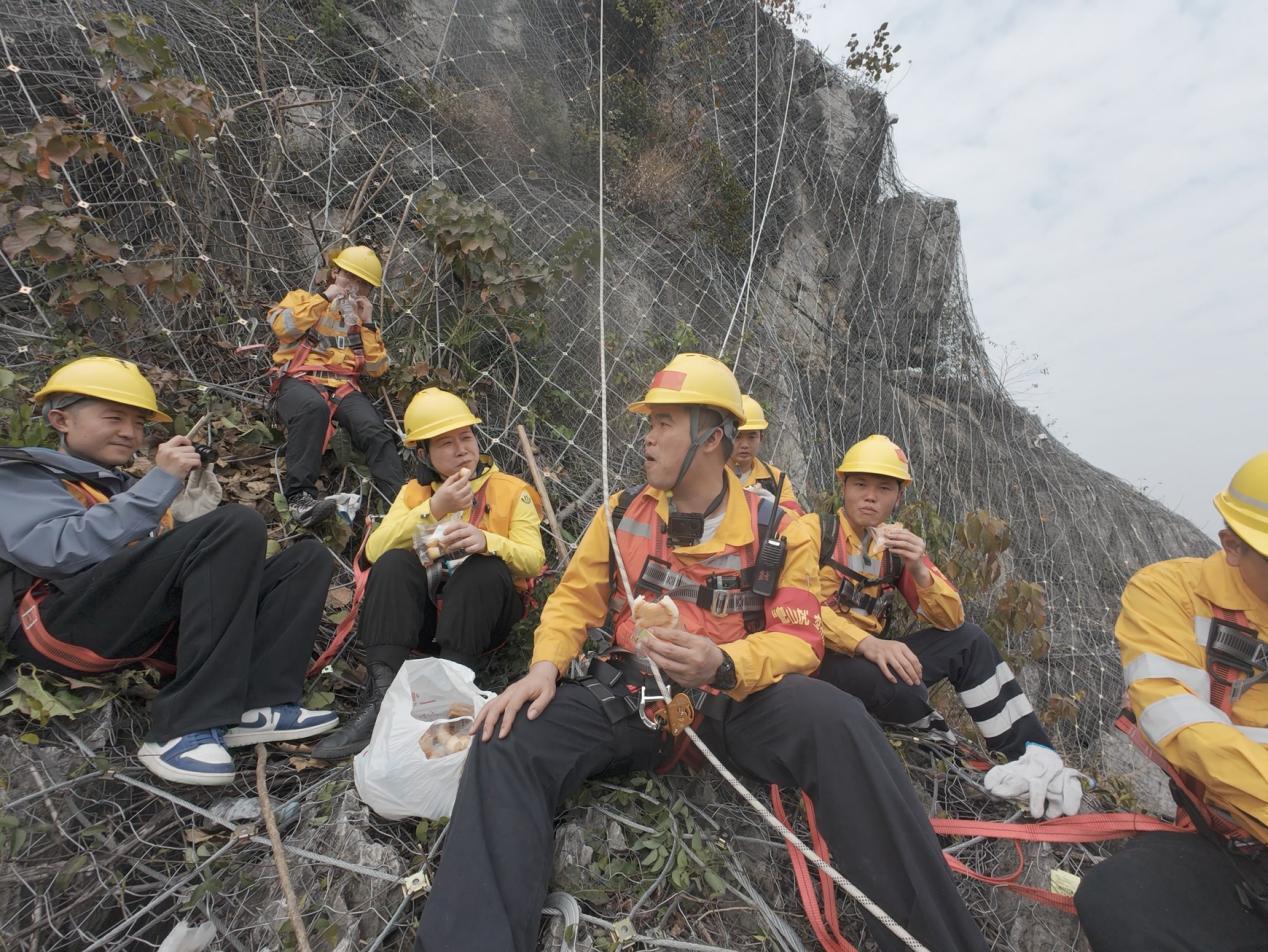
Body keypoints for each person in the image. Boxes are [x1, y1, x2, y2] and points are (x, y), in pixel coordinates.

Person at [414, 355, 986, 952]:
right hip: (635, 698)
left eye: (664, 423)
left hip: (736, 704)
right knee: (507, 737)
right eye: (648, 423)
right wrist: (543, 669)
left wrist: (723, 663)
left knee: (839, 721)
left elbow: (800, 639)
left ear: (713, 438)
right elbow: (573, 600)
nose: (648, 437)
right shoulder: (620, 513)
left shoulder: (785, 529)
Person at [0, 356, 338, 786]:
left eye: (138, 423)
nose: (130, 432)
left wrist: (182, 519)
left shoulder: (121, 488)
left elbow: (156, 570)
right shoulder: (21, 473)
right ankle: (182, 727)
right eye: (114, 417)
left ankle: (259, 704)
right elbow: (57, 551)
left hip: (131, 622)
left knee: (306, 559)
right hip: (56, 626)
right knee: (237, 523)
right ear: (60, 419)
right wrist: (157, 488)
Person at [807, 434, 1081, 817]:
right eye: (860, 484)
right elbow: (794, 610)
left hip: (872, 661)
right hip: (817, 662)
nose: (870, 496)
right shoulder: (813, 532)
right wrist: (868, 644)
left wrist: (918, 567)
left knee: (968, 642)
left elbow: (951, 619)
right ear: (843, 486)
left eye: (883, 488)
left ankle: (1033, 759)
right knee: (895, 681)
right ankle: (953, 769)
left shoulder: (895, 548)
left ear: (898, 497)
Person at [1075, 450, 1268, 951]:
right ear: (1231, 545)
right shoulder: (1172, 594)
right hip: (1232, 843)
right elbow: (1179, 723)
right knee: (1121, 897)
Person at [312, 388, 545, 760]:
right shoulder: (414, 494)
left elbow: (533, 560)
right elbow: (373, 551)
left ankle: (450, 698)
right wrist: (433, 508)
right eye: (446, 443)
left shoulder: (510, 490)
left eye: (466, 437)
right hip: (423, 618)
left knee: (481, 569)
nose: (461, 450)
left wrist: (486, 541)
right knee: (392, 563)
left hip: (482, 620)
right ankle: (380, 697)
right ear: (423, 453)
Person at [269, 245, 404, 526]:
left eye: (363, 284)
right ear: (334, 273)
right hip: (299, 379)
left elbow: (377, 369)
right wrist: (325, 297)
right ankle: (300, 499)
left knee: (375, 431)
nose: (354, 287)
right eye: (349, 278)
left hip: (343, 387)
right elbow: (283, 327)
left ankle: (397, 508)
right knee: (312, 408)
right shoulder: (302, 298)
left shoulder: (361, 322)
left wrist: (366, 324)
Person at [729, 394, 804, 514]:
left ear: (761, 438)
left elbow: (796, 517)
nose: (745, 444)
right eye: (737, 436)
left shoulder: (776, 479)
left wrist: (774, 507)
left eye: (752, 436)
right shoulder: (712, 475)